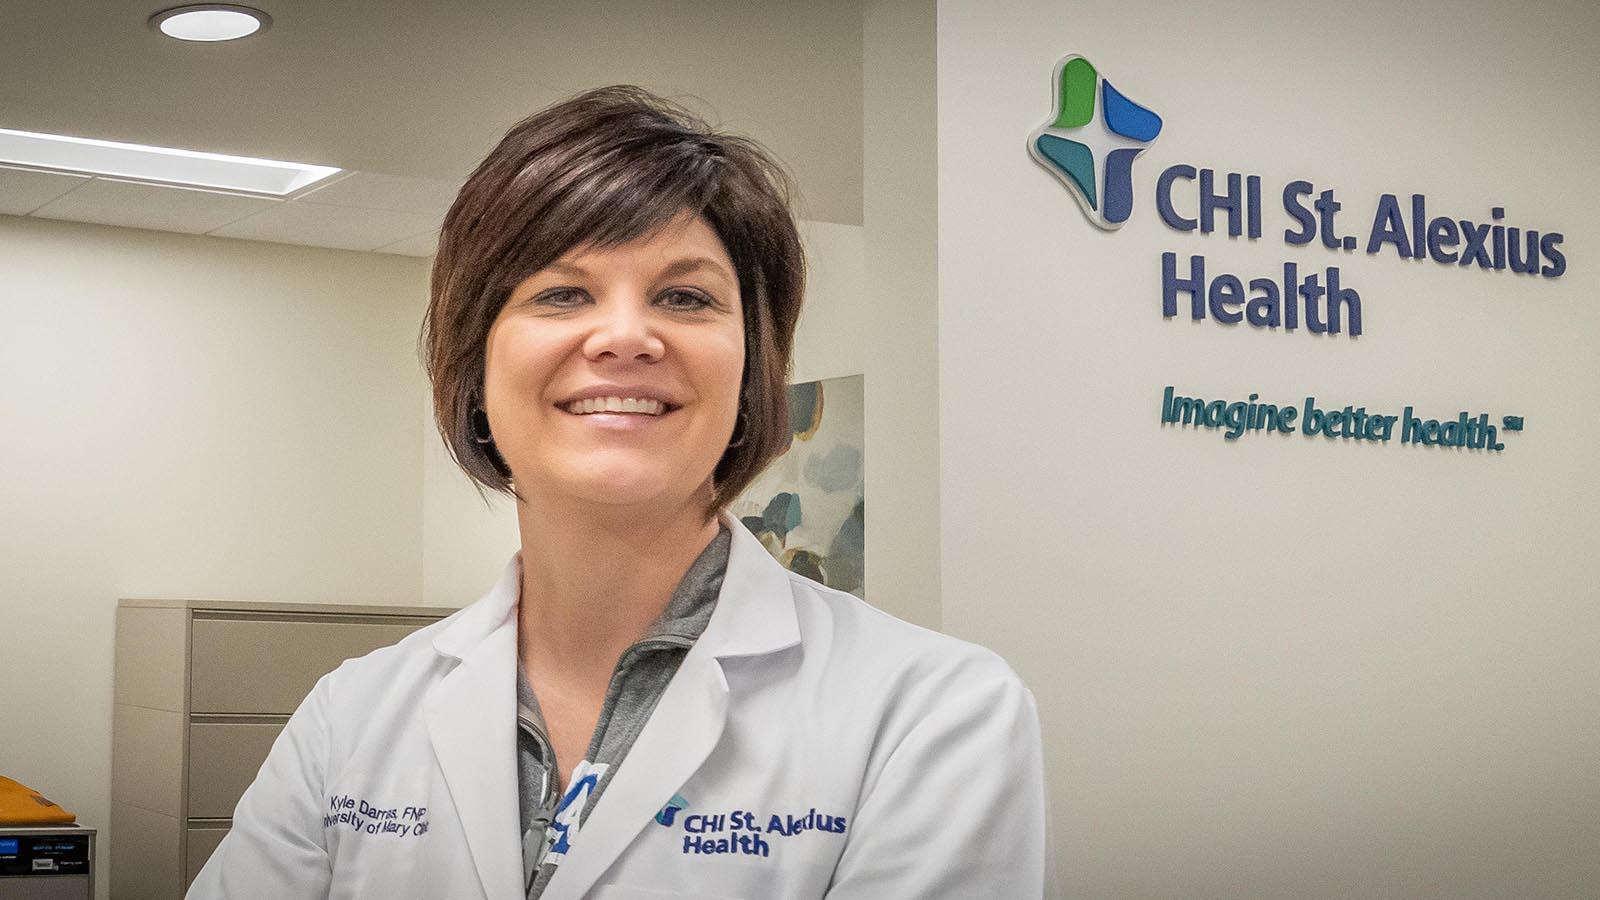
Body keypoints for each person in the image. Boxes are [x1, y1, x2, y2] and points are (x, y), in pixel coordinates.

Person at [188, 85, 1053, 900]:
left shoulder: (933, 714)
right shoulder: (354, 715)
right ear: (475, 364)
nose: (627, 337)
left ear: (753, 363)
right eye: (562, 293)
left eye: (685, 296)